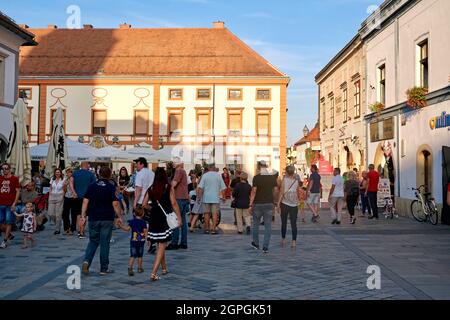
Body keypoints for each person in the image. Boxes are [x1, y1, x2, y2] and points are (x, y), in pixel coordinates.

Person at [142, 168, 182, 281]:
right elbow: (174, 203)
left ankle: (164, 268)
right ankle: (153, 273)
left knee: (161, 243)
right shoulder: (168, 187)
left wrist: (153, 208)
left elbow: (144, 204)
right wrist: (179, 218)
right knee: (162, 244)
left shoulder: (151, 188)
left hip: (153, 218)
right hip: (164, 219)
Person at [81, 166, 122, 275]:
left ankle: (86, 261)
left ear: (98, 174)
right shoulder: (110, 187)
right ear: (109, 175)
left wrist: (83, 215)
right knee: (104, 243)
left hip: (93, 217)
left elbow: (85, 201)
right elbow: (115, 203)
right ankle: (104, 268)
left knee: (93, 241)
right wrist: (119, 216)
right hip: (107, 218)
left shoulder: (92, 186)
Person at [249, 160, 278, 254]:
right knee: (268, 226)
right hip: (269, 203)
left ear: (258, 167)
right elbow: (275, 190)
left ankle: (256, 244)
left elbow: (254, 191)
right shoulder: (272, 178)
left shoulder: (256, 178)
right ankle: (265, 247)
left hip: (258, 204)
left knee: (256, 225)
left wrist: (250, 204)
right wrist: (275, 201)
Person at [117, 206, 148, 276]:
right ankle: (139, 268)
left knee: (133, 255)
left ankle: (130, 268)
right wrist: (147, 239)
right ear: (143, 214)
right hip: (141, 242)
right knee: (140, 255)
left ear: (134, 213)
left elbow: (127, 229)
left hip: (133, 242)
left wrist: (121, 226)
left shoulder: (132, 221)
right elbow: (145, 231)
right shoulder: (143, 222)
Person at [197, 163, 226, 234]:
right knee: (214, 213)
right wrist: (223, 197)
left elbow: (200, 187)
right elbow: (223, 188)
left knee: (206, 213)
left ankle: (207, 228)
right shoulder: (218, 176)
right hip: (215, 198)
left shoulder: (204, 176)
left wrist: (199, 197)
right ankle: (213, 229)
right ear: (214, 168)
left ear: (209, 168)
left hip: (206, 198)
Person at [167, 158, 189, 250]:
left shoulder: (178, 171)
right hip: (184, 198)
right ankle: (183, 243)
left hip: (179, 198)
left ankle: (174, 242)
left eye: (174, 163)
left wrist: (168, 184)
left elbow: (173, 184)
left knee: (176, 220)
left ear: (178, 164)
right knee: (183, 221)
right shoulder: (183, 171)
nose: (173, 164)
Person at [277, 165, 301, 247]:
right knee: (293, 223)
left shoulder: (284, 180)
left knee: (284, 222)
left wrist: (278, 204)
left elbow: (281, 193)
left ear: (286, 172)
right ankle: (294, 241)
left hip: (285, 203)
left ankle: (283, 239)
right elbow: (298, 193)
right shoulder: (296, 181)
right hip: (294, 204)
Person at [73, 162, 97, 239]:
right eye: (88, 165)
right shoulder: (90, 174)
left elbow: (71, 182)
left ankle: (79, 230)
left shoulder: (75, 173)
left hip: (77, 196)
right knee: (84, 214)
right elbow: (94, 186)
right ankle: (81, 231)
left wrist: (74, 192)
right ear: (86, 166)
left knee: (78, 214)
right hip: (87, 197)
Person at [0, 163, 20, 248]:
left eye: (6, 168)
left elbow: (18, 192)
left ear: (9, 169)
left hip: (9, 204)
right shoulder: (0, 178)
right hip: (0, 203)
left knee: (8, 222)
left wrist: (14, 203)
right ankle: (9, 235)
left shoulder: (14, 179)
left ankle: (4, 241)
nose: (4, 170)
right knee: (0, 223)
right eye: (3, 168)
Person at [48, 168, 65, 235]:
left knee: (58, 214)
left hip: (59, 196)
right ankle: (58, 223)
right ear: (54, 173)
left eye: (58, 172)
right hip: (52, 196)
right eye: (56, 172)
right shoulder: (52, 179)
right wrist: (49, 196)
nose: (57, 173)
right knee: (50, 214)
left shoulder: (63, 180)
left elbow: (64, 189)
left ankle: (57, 229)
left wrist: (62, 197)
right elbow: (50, 188)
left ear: (60, 173)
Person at [62, 167, 77, 235]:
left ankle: (72, 229)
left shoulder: (75, 179)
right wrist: (65, 186)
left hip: (73, 198)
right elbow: (64, 190)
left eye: (70, 172)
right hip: (67, 197)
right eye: (68, 172)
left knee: (73, 214)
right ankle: (66, 228)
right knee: (65, 214)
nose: (69, 173)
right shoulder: (65, 180)